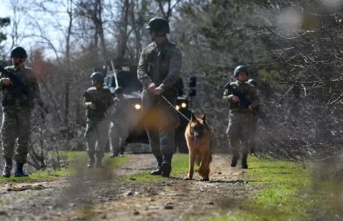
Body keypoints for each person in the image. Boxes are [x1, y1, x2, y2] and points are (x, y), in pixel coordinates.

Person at [137, 17, 182, 177]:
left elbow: (174, 72)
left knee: (166, 127)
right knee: (151, 129)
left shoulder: (174, 50)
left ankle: (166, 162)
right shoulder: (147, 50)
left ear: (157, 31)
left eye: (151, 30)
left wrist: (163, 86)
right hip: (148, 96)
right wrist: (149, 84)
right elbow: (140, 70)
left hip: (167, 95)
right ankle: (159, 163)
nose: (149, 32)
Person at [0, 46, 41, 177]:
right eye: (12, 57)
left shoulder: (30, 73)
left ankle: (19, 169)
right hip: (9, 110)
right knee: (7, 137)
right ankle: (7, 166)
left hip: (24, 111)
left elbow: (36, 90)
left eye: (16, 57)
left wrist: (36, 99)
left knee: (24, 138)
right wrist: (2, 81)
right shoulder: (6, 71)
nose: (13, 59)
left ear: (22, 58)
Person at [223, 65, 260, 169]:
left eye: (244, 74)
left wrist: (252, 105)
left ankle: (244, 160)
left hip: (246, 116)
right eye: (240, 74)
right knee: (231, 134)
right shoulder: (231, 86)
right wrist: (231, 97)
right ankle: (235, 154)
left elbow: (257, 99)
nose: (243, 76)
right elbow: (224, 98)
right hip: (234, 115)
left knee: (245, 138)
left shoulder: (250, 88)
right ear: (237, 75)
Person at [83, 72, 113, 168]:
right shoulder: (90, 91)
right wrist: (89, 105)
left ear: (98, 80)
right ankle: (91, 160)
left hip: (103, 120)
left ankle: (99, 161)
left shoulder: (107, 91)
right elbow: (84, 102)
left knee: (102, 141)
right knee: (90, 140)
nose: (92, 81)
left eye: (93, 79)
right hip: (91, 120)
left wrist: (108, 112)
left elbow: (111, 105)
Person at [109, 86, 129, 158]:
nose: (117, 94)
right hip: (114, 120)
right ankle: (115, 152)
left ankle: (121, 152)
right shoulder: (114, 100)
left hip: (123, 120)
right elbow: (111, 109)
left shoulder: (125, 101)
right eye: (116, 93)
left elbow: (127, 110)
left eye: (119, 93)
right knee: (113, 136)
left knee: (123, 137)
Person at [247, 78, 258, 154]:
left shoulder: (255, 96)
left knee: (252, 134)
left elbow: (258, 104)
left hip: (253, 116)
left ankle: (252, 150)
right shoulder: (245, 94)